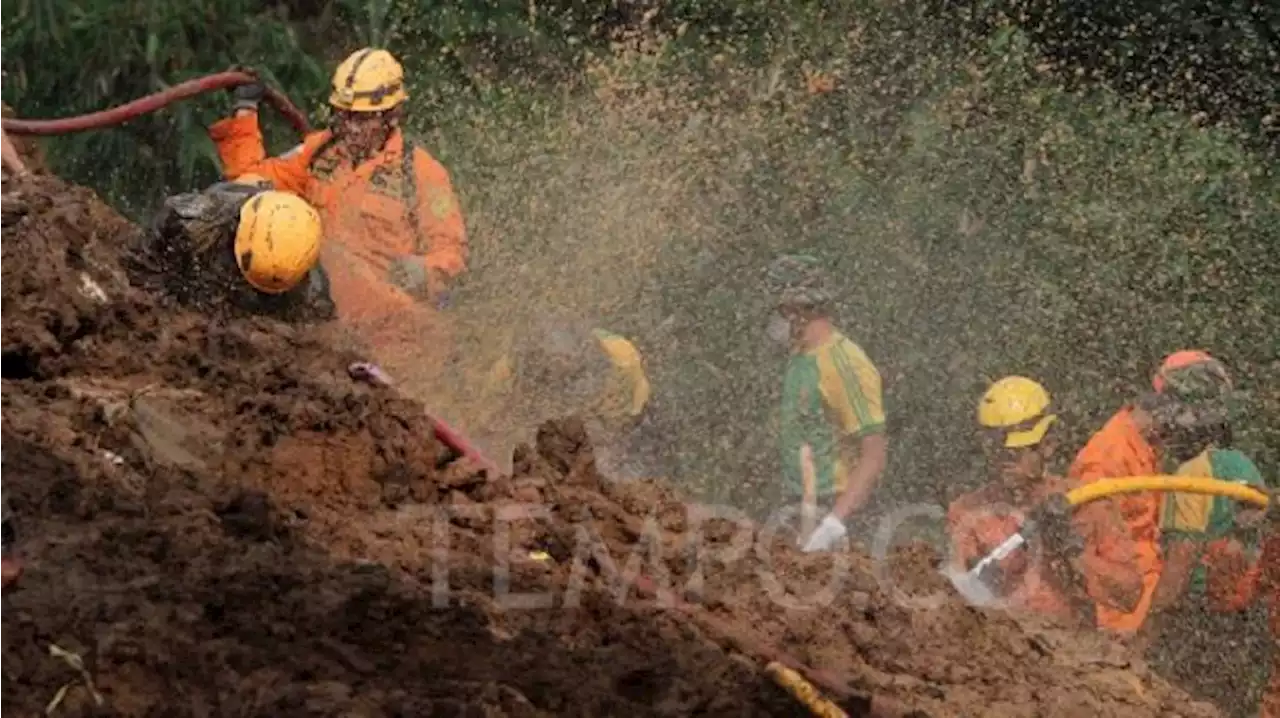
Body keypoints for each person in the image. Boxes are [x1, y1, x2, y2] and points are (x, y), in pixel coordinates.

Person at [208, 48, 466, 348]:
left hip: (392, 333)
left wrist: (422, 271)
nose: (351, 128)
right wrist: (245, 110)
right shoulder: (318, 152)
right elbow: (249, 185)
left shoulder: (422, 173)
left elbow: (451, 254)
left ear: (392, 115)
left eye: (362, 118)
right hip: (319, 323)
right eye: (344, 116)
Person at [946, 377, 1142, 626]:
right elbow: (958, 595)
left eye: (1015, 453)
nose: (1004, 461)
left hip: (1070, 650)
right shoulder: (968, 511)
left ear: (1048, 446)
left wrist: (1072, 552)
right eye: (996, 452)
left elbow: (1128, 596)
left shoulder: (1087, 505)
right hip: (1000, 647)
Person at [1140, 356, 1269, 718]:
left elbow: (1178, 569)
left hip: (1199, 628)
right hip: (1244, 629)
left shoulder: (1194, 476)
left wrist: (1142, 640)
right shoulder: (1242, 465)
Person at [1067, 349, 1229, 635]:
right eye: (1198, 423)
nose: (1197, 436)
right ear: (1173, 406)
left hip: (1150, 607)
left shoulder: (1152, 447)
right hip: (1120, 624)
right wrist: (1138, 641)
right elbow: (1088, 561)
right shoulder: (1107, 459)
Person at [762, 254, 888, 553]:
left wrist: (834, 523)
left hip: (839, 511)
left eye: (780, 307)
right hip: (800, 505)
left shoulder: (845, 363)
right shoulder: (799, 357)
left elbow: (874, 453)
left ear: (796, 308)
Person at [124, 175, 332, 321]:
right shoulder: (195, 219)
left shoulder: (313, 293)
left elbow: (315, 339)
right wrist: (155, 297)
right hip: (226, 213)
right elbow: (142, 260)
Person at [484, 313, 662, 478]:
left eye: (569, 379)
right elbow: (494, 426)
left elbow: (623, 426)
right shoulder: (505, 375)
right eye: (551, 380)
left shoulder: (623, 362)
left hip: (621, 415)